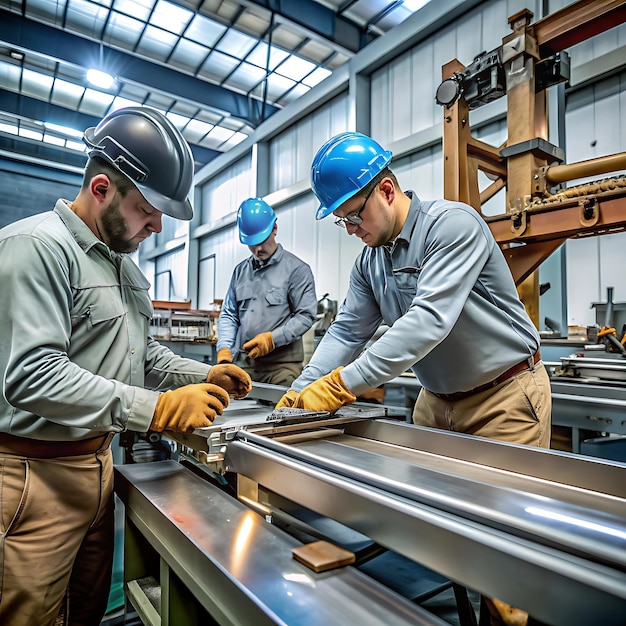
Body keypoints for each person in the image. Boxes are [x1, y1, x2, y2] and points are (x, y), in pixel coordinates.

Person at [276, 131, 552, 626]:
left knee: (506, 562)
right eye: (341, 221)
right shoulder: (370, 261)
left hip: (504, 400)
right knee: (441, 531)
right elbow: (346, 331)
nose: (350, 228)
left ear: (386, 190)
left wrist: (340, 387)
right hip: (437, 401)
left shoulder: (453, 227)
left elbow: (428, 320)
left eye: (354, 215)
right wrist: (300, 392)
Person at [0, 106, 252, 626]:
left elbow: (140, 356)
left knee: (84, 611)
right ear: (100, 189)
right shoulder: (36, 248)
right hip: (33, 476)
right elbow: (33, 374)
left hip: (98, 466)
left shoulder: (121, 266)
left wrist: (202, 375)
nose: (157, 226)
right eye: (146, 210)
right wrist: (156, 410)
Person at [216, 197, 317, 386]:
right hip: (244, 364)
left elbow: (306, 316)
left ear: (275, 229)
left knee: (282, 411)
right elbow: (229, 314)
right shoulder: (240, 272)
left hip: (282, 368)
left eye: (262, 240)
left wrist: (272, 340)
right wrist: (224, 349)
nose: (258, 248)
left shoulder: (297, 270)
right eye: (252, 243)